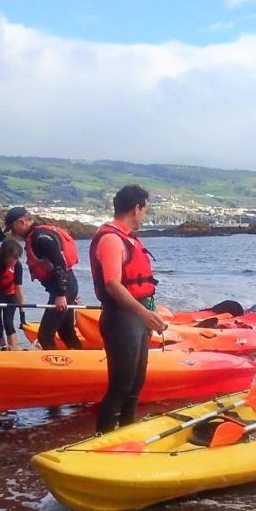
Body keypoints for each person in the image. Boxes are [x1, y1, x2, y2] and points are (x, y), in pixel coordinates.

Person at [88, 184, 166, 433]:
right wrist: (143, 314)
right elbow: (112, 284)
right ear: (136, 208)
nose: (144, 216)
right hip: (121, 319)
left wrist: (148, 314)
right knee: (120, 387)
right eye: (145, 210)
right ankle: (101, 442)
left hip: (135, 319)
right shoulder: (111, 239)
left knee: (134, 386)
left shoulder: (127, 238)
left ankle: (125, 438)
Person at [6, 207, 82, 350]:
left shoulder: (40, 239)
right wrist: (65, 293)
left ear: (21, 222)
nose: (13, 233)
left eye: (12, 229)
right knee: (66, 332)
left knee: (45, 336)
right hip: (67, 287)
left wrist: (61, 294)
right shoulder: (38, 235)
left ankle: (57, 367)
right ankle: (83, 363)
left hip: (63, 290)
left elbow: (60, 262)